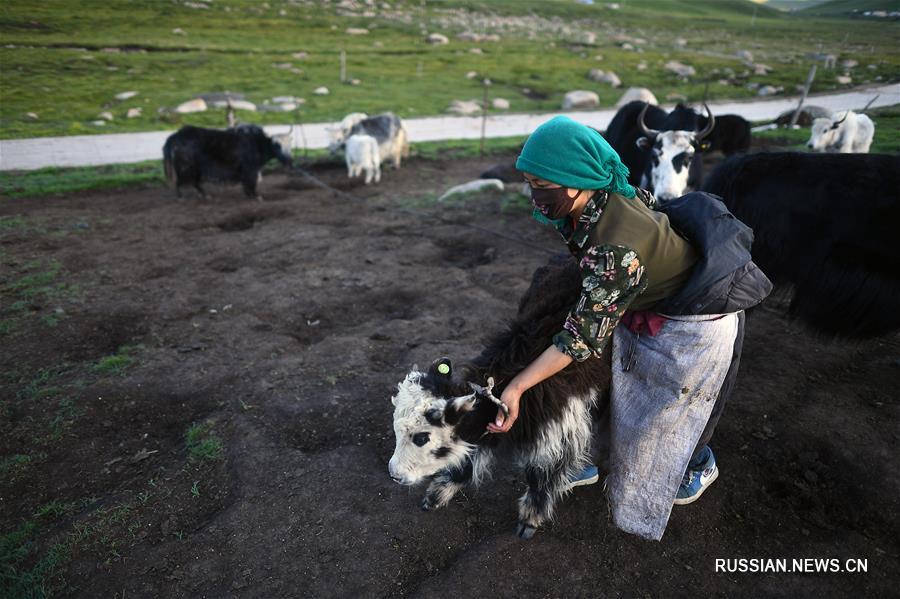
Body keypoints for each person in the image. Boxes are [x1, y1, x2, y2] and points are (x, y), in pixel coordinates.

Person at [488, 115, 771, 541]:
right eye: (529, 182)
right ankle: (588, 455)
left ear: (573, 179)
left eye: (540, 183)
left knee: (673, 408)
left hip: (697, 320)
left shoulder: (617, 250)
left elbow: (578, 340)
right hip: (652, 295)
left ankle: (696, 463)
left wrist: (516, 387)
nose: (534, 194)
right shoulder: (604, 195)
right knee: (624, 387)